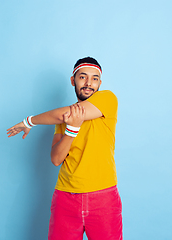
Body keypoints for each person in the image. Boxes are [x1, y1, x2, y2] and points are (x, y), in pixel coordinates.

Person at [7, 57, 122, 240]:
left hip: (103, 198)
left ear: (100, 82)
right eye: (83, 77)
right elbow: (56, 159)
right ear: (73, 80)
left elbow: (66, 114)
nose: (88, 83)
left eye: (94, 78)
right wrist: (71, 130)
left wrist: (30, 121)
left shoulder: (108, 99)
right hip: (65, 198)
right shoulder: (60, 120)